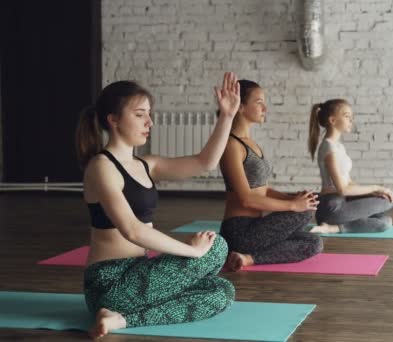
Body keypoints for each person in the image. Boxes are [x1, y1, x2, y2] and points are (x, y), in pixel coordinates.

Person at [75, 72, 240, 339]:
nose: (149, 122)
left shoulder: (147, 165)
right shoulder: (101, 167)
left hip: (140, 274)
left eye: (149, 114)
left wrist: (227, 116)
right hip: (109, 284)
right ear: (113, 119)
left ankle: (119, 320)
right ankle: (112, 310)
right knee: (215, 247)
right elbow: (132, 230)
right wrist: (191, 251)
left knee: (221, 291)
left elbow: (205, 163)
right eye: (140, 114)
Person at [218, 80, 323, 271]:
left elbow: (262, 189)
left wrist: (293, 198)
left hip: (257, 228)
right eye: (259, 102)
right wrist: (293, 205)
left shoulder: (251, 143)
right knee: (305, 210)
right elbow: (247, 199)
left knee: (314, 243)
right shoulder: (231, 145)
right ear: (240, 107)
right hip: (239, 231)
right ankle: (241, 251)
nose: (264, 107)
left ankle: (248, 258)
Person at [307, 99, 393, 234]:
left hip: (341, 203)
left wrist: (373, 193)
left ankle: (335, 226)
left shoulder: (339, 147)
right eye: (347, 116)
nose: (351, 120)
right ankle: (334, 227)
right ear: (332, 120)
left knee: (384, 221)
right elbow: (343, 189)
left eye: (351, 117)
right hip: (331, 207)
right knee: (387, 202)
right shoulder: (328, 147)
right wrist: (377, 187)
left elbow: (348, 182)